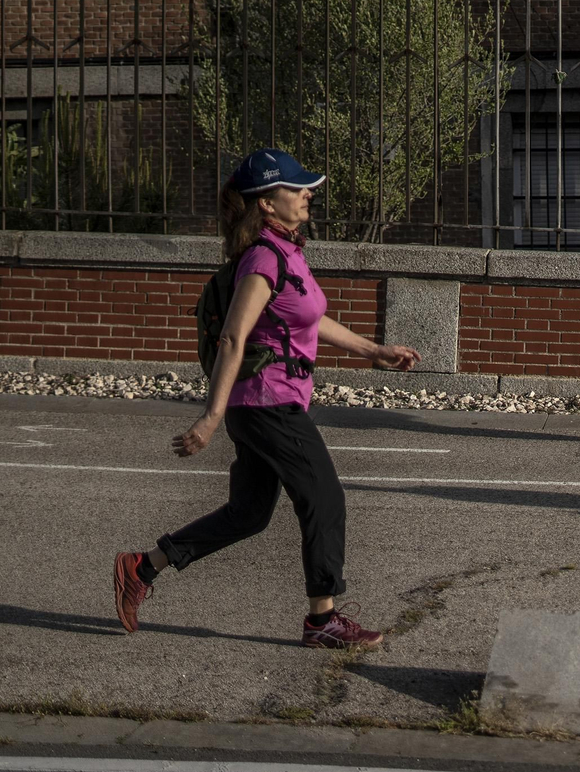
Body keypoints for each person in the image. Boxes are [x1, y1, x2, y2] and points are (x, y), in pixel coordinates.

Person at [111, 148, 421, 645]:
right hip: (264, 402)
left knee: (248, 514)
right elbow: (234, 338)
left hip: (272, 400)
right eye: (296, 188)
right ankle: (323, 621)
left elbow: (309, 318)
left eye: (306, 186)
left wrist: (372, 350)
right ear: (267, 204)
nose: (308, 193)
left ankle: (142, 568)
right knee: (324, 497)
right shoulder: (260, 258)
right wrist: (210, 418)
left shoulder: (287, 250)